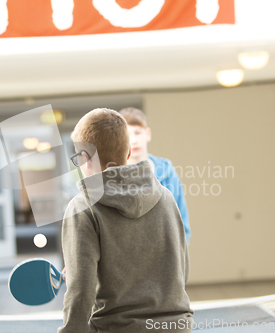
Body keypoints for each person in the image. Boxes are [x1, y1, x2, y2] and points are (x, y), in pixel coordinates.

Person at [58, 108, 192, 333]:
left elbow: (81, 291)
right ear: (128, 152)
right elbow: (181, 270)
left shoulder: (82, 207)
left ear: (85, 158)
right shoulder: (166, 197)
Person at [119, 107, 191, 243]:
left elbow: (182, 224)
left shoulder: (167, 172)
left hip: (167, 253)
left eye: (138, 133)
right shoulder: (113, 175)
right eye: (127, 135)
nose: (133, 140)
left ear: (148, 134)